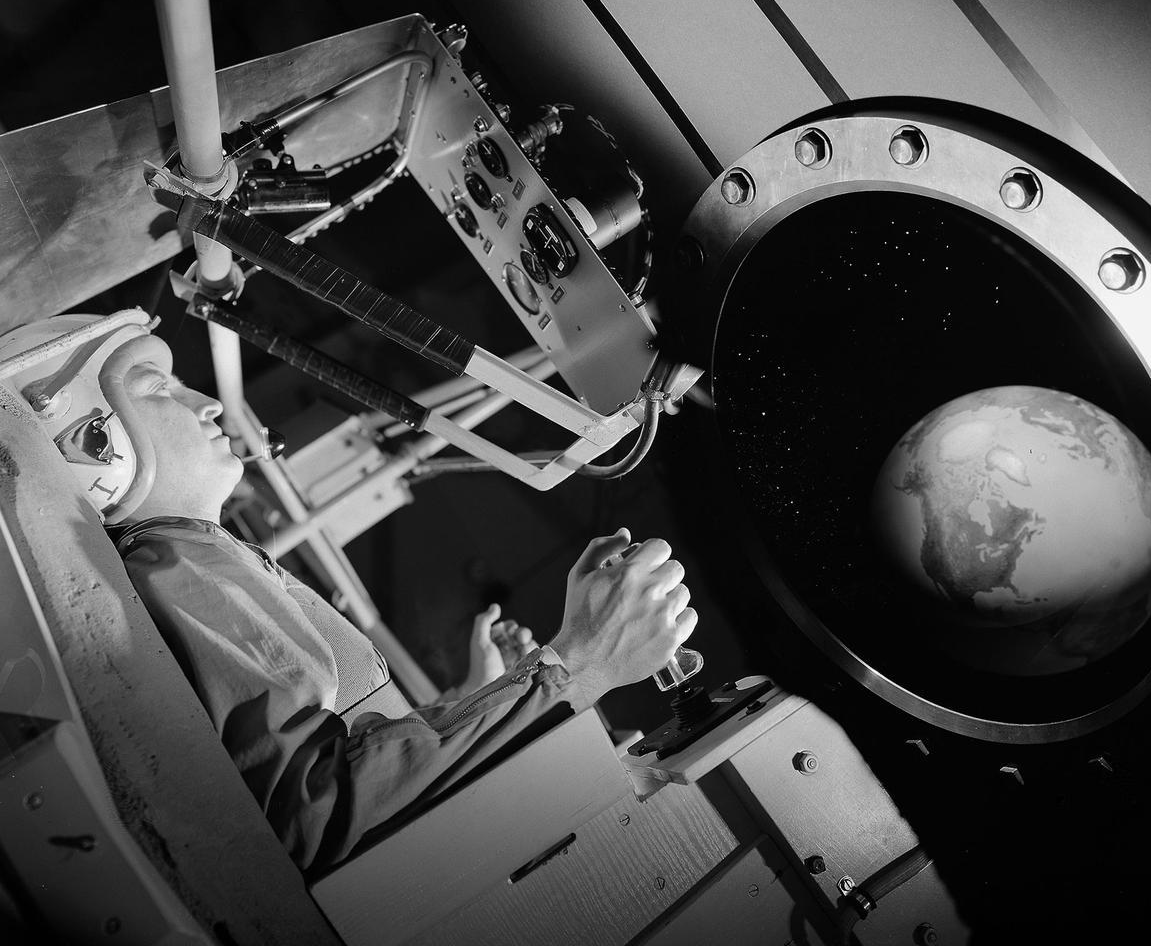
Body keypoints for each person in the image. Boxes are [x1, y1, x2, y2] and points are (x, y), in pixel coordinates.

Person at [0, 309, 698, 875]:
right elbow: (323, 817)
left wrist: (479, 700)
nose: (210, 404)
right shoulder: (179, 564)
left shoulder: (188, 563)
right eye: (158, 388)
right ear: (94, 442)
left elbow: (361, 777)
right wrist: (581, 662)